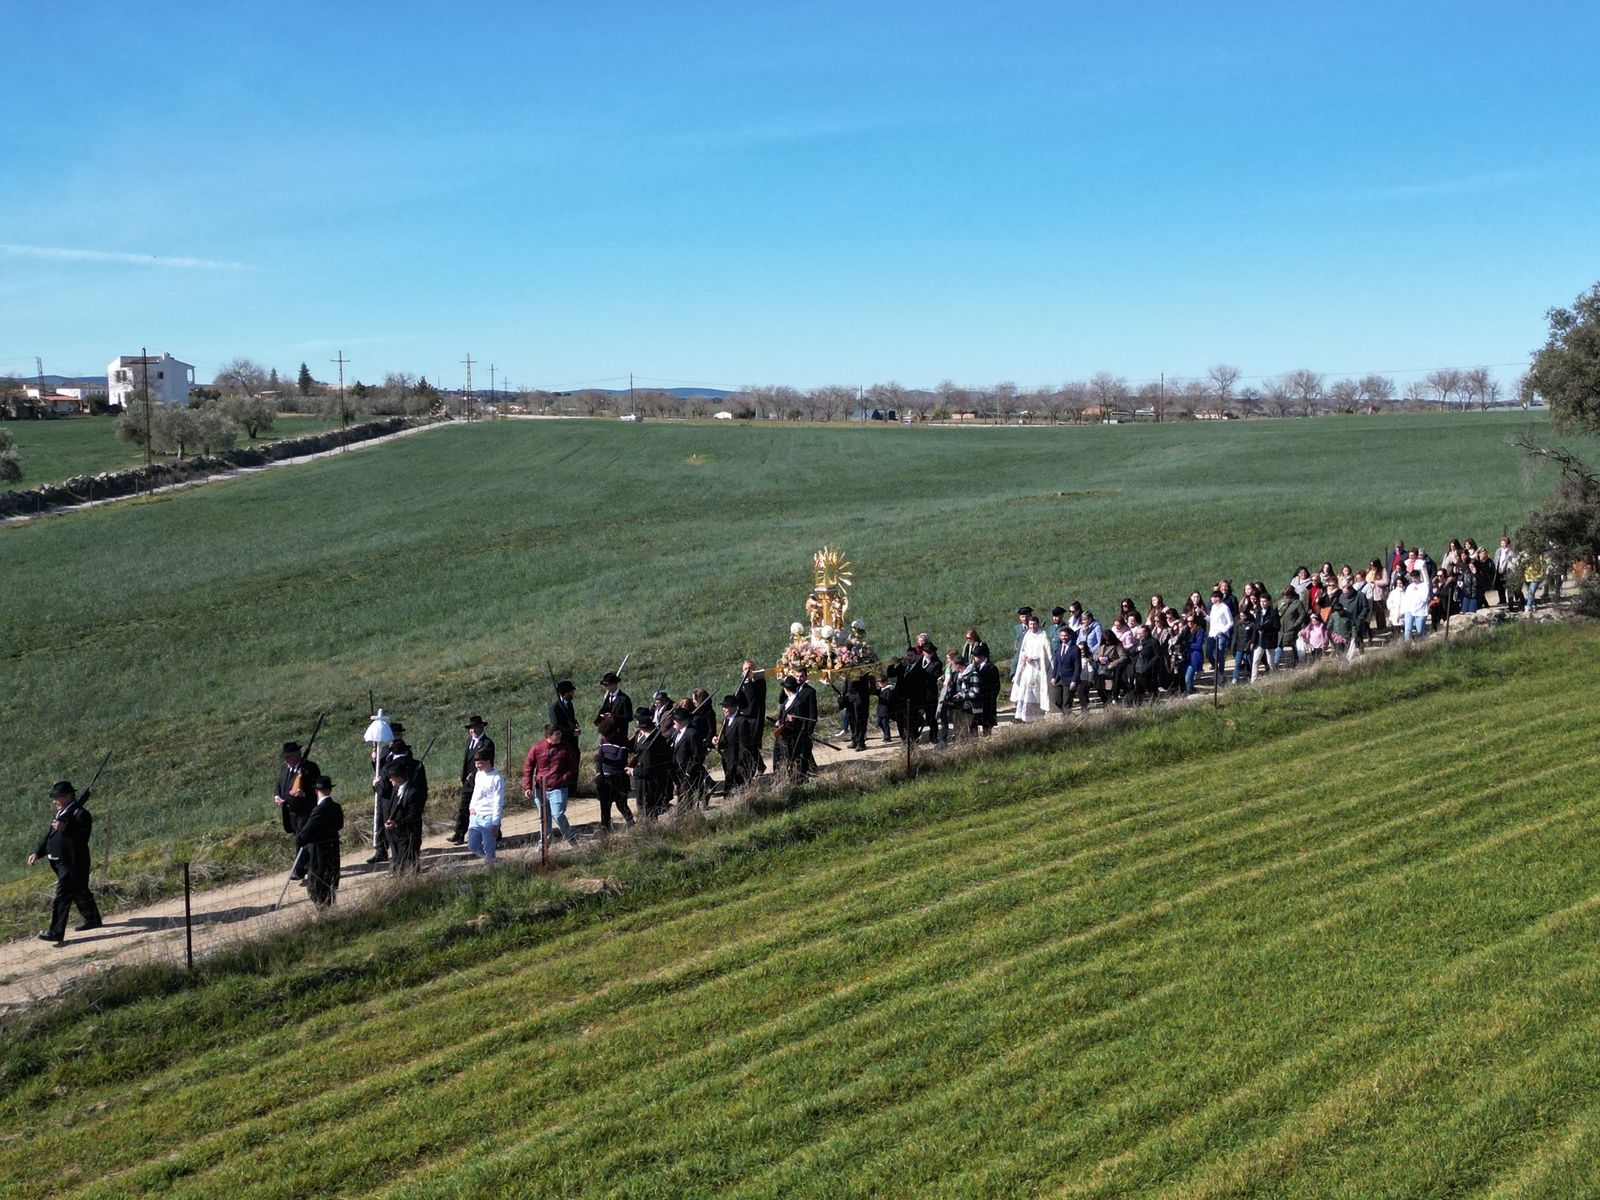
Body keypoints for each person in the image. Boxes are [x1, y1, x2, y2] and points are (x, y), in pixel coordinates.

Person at [30, 780, 103, 944]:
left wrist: (66, 829)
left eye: (57, 797)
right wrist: (38, 852)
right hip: (58, 862)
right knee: (79, 890)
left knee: (62, 897)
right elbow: (50, 835)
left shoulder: (81, 814)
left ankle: (56, 932)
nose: (54, 800)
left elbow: (82, 839)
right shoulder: (61, 813)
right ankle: (93, 919)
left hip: (73, 863)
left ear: (68, 796)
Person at [524, 724, 580, 850]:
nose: (560, 736)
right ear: (549, 736)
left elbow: (573, 766)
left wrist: (563, 778)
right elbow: (528, 767)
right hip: (540, 788)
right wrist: (528, 787)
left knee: (558, 815)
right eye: (557, 734)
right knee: (544, 818)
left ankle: (572, 840)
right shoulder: (537, 748)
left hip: (559, 787)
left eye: (560, 733)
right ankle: (544, 843)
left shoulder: (566, 747)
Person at [274, 741, 320, 880]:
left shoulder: (310, 768)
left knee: (301, 838)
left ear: (296, 755)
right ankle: (309, 864)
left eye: (288, 756)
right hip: (290, 812)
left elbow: (317, 787)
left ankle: (299, 870)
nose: (286, 759)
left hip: (304, 810)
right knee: (300, 837)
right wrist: (277, 796)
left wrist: (304, 793)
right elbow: (279, 784)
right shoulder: (285, 768)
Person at [298, 776, 344, 907]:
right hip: (333, 846)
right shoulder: (336, 806)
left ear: (316, 791)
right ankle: (329, 903)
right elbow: (340, 825)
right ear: (330, 790)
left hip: (319, 850)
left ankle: (322, 907)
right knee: (331, 878)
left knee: (318, 880)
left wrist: (302, 839)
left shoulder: (318, 809)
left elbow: (305, 832)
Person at [448, 716, 495, 845]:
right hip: (468, 782)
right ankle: (459, 834)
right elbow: (466, 761)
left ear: (481, 727)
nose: (472, 730)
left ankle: (495, 832)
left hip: (481, 780)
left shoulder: (487, 743)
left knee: (482, 808)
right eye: (471, 728)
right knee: (464, 807)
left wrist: (474, 773)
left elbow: (487, 762)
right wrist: (464, 776)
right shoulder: (469, 741)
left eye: (475, 727)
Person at [367, 724, 410, 865]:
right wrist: (374, 759)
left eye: (398, 734)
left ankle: (397, 854)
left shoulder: (404, 751)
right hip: (382, 792)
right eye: (393, 735)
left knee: (391, 821)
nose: (396, 737)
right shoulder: (385, 750)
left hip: (393, 791)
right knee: (379, 820)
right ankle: (381, 850)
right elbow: (379, 769)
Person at [382, 758, 426, 873]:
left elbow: (414, 815)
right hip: (396, 835)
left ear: (399, 777)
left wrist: (397, 823)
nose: (390, 780)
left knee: (408, 865)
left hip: (408, 835)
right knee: (398, 864)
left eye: (392, 778)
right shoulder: (396, 790)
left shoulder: (413, 792)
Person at [593, 716, 636, 829]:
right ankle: (605, 830)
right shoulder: (603, 741)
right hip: (604, 779)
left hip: (619, 778)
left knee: (621, 805)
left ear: (614, 731)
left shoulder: (623, 742)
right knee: (604, 807)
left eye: (608, 735)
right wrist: (598, 773)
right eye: (604, 735)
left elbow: (620, 761)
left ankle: (632, 826)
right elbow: (599, 759)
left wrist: (604, 760)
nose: (606, 737)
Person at [630, 710, 674, 819]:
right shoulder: (653, 738)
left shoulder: (651, 744)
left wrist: (633, 771)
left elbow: (647, 768)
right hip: (648, 780)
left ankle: (648, 828)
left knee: (647, 809)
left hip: (647, 781)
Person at [773, 674, 818, 778]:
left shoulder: (798, 703)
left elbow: (802, 721)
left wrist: (794, 719)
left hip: (793, 739)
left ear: (786, 689)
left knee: (794, 761)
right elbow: (782, 715)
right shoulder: (787, 701)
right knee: (779, 757)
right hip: (783, 737)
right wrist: (779, 722)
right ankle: (780, 777)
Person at [1009, 614, 1054, 721]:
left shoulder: (1043, 635)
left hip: (1037, 670)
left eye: (1034, 624)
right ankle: (1022, 716)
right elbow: (1023, 649)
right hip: (1027, 668)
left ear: (1038, 624)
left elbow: (1047, 654)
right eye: (1030, 624)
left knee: (1034, 691)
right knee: (1024, 691)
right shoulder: (1027, 635)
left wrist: (1034, 658)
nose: (1032, 626)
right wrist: (1024, 657)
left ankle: (1035, 716)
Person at [464, 748, 503, 866]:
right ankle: (489, 859)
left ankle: (491, 865)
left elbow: (498, 801)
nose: (477, 766)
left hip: (489, 818)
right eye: (476, 763)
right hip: (476, 816)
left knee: (488, 847)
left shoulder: (497, 778)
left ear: (488, 761)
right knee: (472, 846)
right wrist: (471, 807)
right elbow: (476, 792)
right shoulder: (479, 775)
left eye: (480, 763)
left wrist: (496, 823)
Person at [736, 661, 768, 775]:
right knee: (745, 743)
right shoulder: (742, 683)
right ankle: (758, 765)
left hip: (755, 717)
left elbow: (752, 696)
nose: (747, 671)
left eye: (750, 669)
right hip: (744, 717)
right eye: (745, 669)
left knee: (752, 743)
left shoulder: (759, 682)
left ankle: (758, 766)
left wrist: (749, 680)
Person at [712, 696, 748, 788]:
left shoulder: (741, 721)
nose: (724, 709)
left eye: (726, 707)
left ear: (734, 707)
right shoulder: (727, 720)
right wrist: (717, 739)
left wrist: (740, 763)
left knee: (738, 784)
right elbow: (725, 736)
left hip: (736, 760)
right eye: (723, 707)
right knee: (729, 782)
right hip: (727, 758)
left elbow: (743, 744)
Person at [1051, 625, 1081, 712]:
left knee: (1066, 702)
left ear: (1070, 636)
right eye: (1062, 636)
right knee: (1057, 700)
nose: (1063, 638)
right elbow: (1056, 664)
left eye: (1065, 636)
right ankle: (1068, 714)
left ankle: (1068, 721)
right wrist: (1053, 677)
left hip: (1069, 679)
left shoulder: (1075, 649)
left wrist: (1074, 681)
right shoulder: (1059, 648)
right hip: (1058, 679)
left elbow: (1078, 666)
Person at [972, 645, 1001, 734]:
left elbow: (996, 686)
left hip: (988, 700)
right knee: (975, 721)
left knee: (987, 724)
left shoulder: (991, 668)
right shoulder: (976, 667)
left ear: (980, 656)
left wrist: (991, 697)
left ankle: (987, 740)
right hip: (978, 700)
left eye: (975, 657)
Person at [1206, 590, 1233, 681]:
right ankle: (1215, 667)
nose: (1211, 599)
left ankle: (1221, 673)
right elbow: (1212, 620)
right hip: (1212, 634)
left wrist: (1222, 631)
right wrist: (1204, 616)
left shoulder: (1224, 608)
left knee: (1220, 654)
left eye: (1213, 597)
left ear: (1217, 598)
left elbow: (1230, 622)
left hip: (1221, 634)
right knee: (1209, 653)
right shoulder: (1213, 607)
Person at [843, 673, 874, 751]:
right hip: (850, 693)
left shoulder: (864, 663)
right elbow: (847, 675)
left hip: (861, 693)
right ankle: (854, 739)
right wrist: (844, 691)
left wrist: (873, 688)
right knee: (851, 718)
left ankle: (860, 742)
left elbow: (871, 672)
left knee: (860, 718)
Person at [596, 672, 633, 737]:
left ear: (614, 685)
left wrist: (614, 717)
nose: (604, 687)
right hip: (607, 733)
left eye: (606, 685)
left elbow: (629, 717)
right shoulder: (607, 697)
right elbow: (603, 710)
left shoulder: (624, 699)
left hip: (620, 733)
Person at [549, 680, 580, 750]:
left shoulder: (569, 704)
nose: (573, 693)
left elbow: (571, 719)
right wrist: (571, 731)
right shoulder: (555, 708)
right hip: (563, 742)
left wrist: (576, 727)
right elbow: (556, 726)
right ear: (565, 693)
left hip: (573, 740)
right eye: (571, 692)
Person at [1401, 569, 1430, 640]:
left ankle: (1422, 642)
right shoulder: (1410, 586)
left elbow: (1425, 598)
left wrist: (1417, 590)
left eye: (1415, 578)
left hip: (1420, 611)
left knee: (1420, 630)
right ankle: (1407, 645)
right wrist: (1402, 611)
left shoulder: (1424, 585)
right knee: (1407, 629)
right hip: (1409, 610)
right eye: (1412, 578)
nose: (1414, 580)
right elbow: (1405, 599)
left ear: (1419, 577)